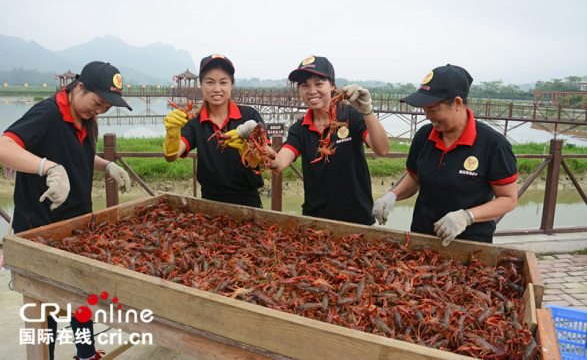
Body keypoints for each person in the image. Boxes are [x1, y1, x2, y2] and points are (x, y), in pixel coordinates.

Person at [0, 61, 133, 360]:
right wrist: (46, 167)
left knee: (81, 300)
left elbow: (79, 156)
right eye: (97, 102)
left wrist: (106, 165)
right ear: (79, 87)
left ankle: (85, 354)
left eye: (105, 107)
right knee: (44, 308)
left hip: (76, 226)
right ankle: (43, 354)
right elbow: (4, 146)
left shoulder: (86, 118)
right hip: (40, 228)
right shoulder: (47, 113)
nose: (98, 111)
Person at [372, 64, 518, 245]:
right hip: (421, 237)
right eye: (424, 110)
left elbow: (508, 199)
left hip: (469, 243)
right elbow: (415, 178)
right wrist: (392, 195)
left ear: (457, 103)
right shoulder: (424, 136)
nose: (427, 116)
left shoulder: (493, 144)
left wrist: (466, 217)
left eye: (432, 109)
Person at [269, 55, 389, 225]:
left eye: (319, 84)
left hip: (358, 219)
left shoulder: (350, 116)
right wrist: (266, 153)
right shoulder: (300, 129)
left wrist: (367, 110)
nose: (312, 91)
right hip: (315, 220)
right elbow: (279, 162)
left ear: (332, 85)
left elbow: (382, 149)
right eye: (305, 85)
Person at [163, 54, 266, 208]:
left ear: (231, 84)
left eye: (223, 82)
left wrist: (253, 154)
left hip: (248, 202)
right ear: (201, 85)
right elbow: (171, 156)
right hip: (209, 203)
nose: (217, 89)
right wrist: (172, 133)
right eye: (210, 82)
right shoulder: (195, 122)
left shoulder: (249, 115)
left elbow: (266, 156)